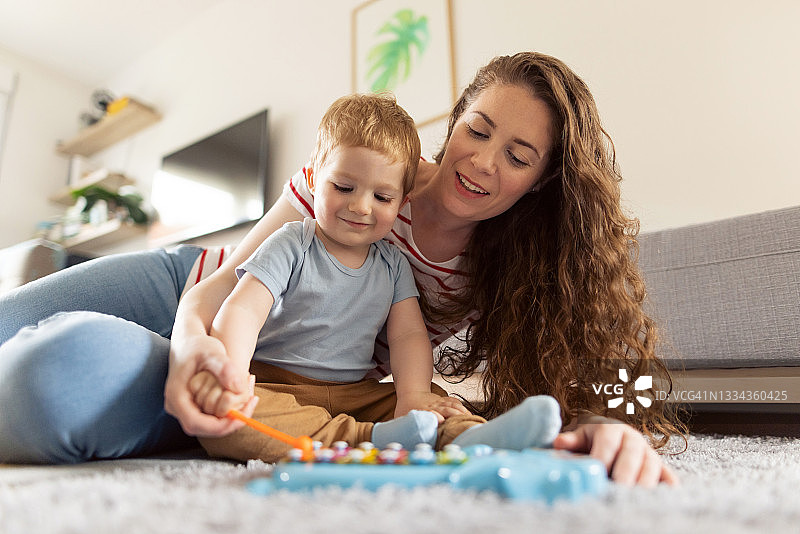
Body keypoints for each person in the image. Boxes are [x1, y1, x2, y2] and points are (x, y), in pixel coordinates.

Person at [0, 52, 681, 486]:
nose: (481, 161)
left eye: (517, 155)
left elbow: (563, 374)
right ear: (454, 123)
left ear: (538, 182)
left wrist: (606, 425)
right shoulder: (368, 179)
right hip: (191, 292)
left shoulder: (503, 271)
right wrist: (190, 347)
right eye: (477, 130)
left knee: (61, 377)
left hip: (289, 377)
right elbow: (227, 284)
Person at [188, 93, 560, 461]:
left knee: (431, 400)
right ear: (315, 178)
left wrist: (414, 397)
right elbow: (242, 309)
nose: (360, 206)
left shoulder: (393, 264)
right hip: (276, 382)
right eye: (344, 188)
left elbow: (409, 335)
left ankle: (472, 437)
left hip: (356, 393)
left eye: (382, 198)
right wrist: (232, 372)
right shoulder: (292, 242)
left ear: (403, 201)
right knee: (226, 420)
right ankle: (369, 438)